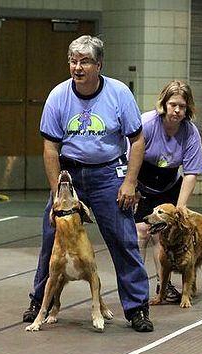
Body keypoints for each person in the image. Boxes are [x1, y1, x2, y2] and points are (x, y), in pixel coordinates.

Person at [22, 35, 153, 332]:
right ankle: (39, 299)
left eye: (84, 62)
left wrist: (130, 182)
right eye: (73, 61)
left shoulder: (119, 93)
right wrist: (58, 191)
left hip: (109, 173)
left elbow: (137, 140)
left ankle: (137, 308)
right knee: (50, 238)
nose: (77, 68)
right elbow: (50, 148)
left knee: (123, 239)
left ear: (99, 65)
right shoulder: (58, 96)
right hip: (70, 174)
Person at [134, 80, 202, 303]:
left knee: (162, 234)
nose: (177, 110)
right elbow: (128, 157)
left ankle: (162, 286)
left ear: (188, 109)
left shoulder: (190, 133)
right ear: (164, 104)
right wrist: (131, 187)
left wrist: (181, 207)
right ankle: (135, 287)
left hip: (169, 183)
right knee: (141, 232)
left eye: (182, 107)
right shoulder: (146, 123)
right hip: (141, 182)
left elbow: (192, 172)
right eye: (173, 104)